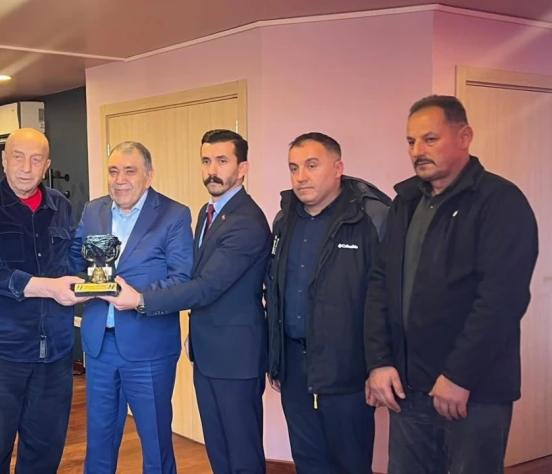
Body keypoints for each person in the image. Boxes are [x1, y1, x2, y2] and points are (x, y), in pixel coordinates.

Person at [365, 95, 539, 474]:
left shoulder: (500, 201)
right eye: (411, 141)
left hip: (473, 392)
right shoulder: (405, 202)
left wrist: (459, 375)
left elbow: (501, 300)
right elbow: (381, 283)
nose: (417, 151)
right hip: (408, 390)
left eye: (430, 139)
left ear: (464, 137)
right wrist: (379, 361)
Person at [105, 129, 271, 474]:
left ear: (242, 168)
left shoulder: (247, 222)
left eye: (222, 161)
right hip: (208, 351)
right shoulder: (209, 212)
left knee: (241, 453)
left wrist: (141, 299)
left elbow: (205, 286)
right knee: (219, 449)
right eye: (206, 161)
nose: (212, 170)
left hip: (236, 356)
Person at [0, 128, 86, 474]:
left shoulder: (61, 207)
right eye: (18, 157)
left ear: (46, 165)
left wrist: (95, 281)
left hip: (55, 353)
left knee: (44, 454)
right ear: (4, 160)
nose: (26, 168)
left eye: (35, 159)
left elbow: (72, 263)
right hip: (1, 351)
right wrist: (49, 288)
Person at [266, 132, 389, 473]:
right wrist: (275, 359)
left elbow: (387, 297)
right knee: (308, 462)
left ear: (338, 168)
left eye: (311, 165)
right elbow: (274, 291)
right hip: (294, 365)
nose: (301, 176)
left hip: (348, 368)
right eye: (294, 168)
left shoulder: (370, 218)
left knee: (351, 463)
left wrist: (380, 363)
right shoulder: (284, 220)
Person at [70, 141, 193, 474]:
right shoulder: (93, 211)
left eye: (129, 171)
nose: (120, 179)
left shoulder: (174, 215)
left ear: (148, 176)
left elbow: (182, 280)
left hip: (149, 348)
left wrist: (138, 297)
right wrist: (80, 285)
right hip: (99, 345)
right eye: (113, 171)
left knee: (155, 444)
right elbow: (75, 261)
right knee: (99, 441)